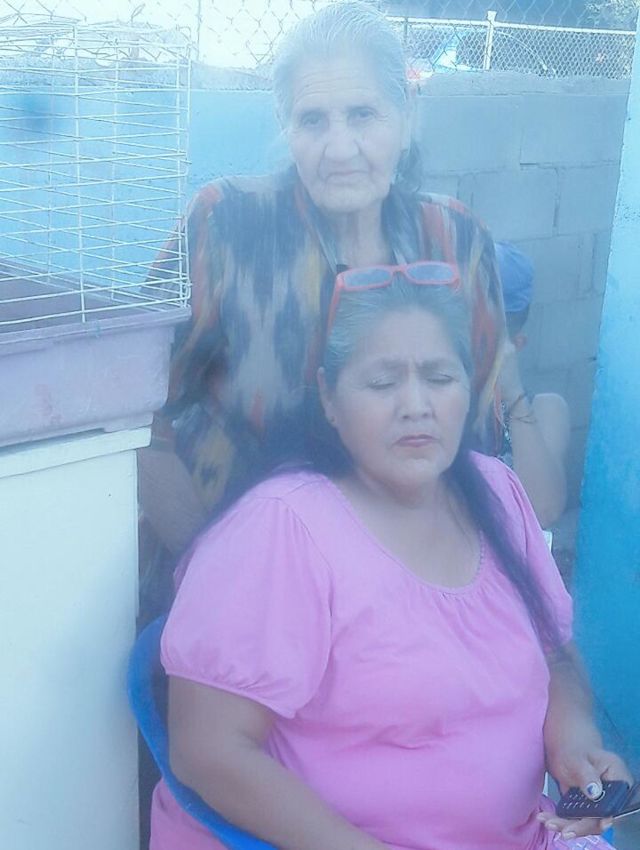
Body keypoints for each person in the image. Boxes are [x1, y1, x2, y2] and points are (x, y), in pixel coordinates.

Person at [151, 267, 631, 850]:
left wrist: (574, 742)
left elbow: (555, 655)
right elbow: (208, 750)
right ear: (329, 398)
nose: (416, 405)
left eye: (440, 377)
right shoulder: (281, 530)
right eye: (382, 383)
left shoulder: (497, 493)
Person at [137, 1, 506, 612]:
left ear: (406, 116)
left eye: (363, 114)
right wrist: (213, 575)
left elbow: (475, 440)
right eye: (313, 120)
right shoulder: (227, 227)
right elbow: (137, 420)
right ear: (286, 125)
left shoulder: (456, 240)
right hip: (231, 575)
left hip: (401, 589)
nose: (339, 149)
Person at [494, 241, 571, 530]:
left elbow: (543, 511)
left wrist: (513, 396)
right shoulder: (431, 403)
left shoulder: (544, 408)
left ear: (515, 345)